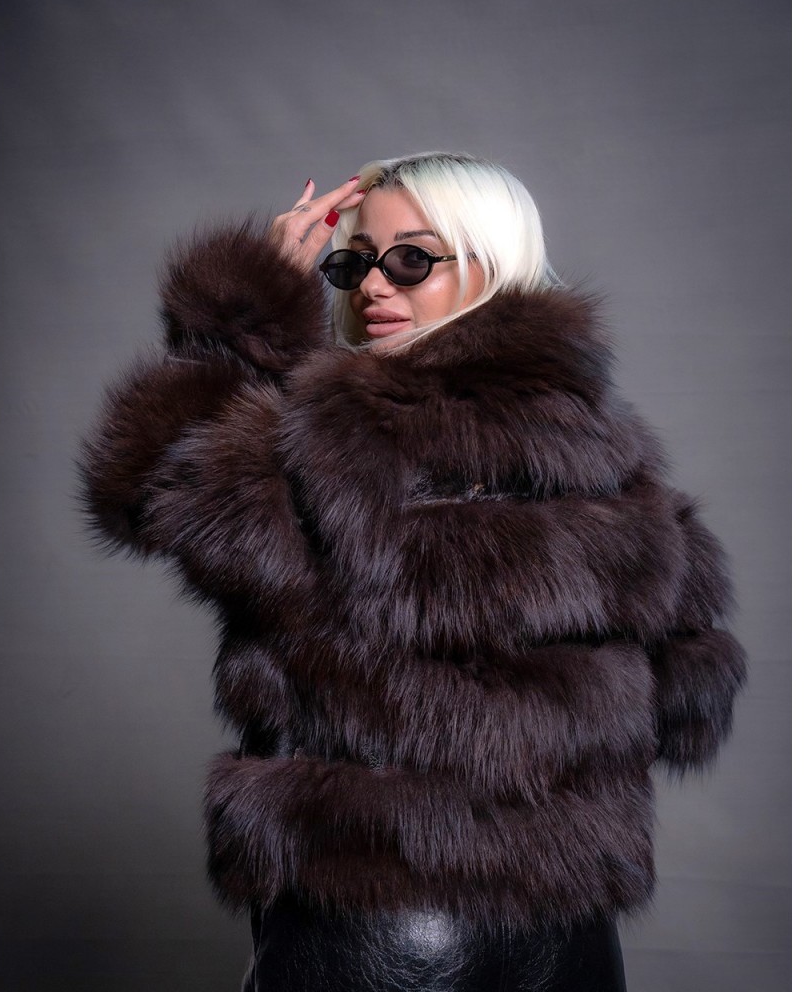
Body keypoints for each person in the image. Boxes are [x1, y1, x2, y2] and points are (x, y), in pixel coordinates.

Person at [79, 151, 747, 991]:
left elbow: (152, 491)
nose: (371, 286)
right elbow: (693, 701)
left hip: (375, 930)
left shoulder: (339, 441)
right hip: (566, 937)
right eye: (353, 262)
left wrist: (239, 317)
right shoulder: (614, 450)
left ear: (491, 263)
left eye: (411, 259)